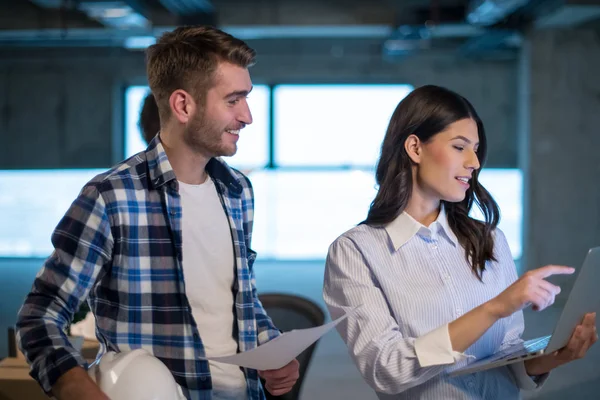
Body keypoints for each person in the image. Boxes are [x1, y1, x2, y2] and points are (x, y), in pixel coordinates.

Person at [16, 25, 299, 400]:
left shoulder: (237, 192)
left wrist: (272, 347)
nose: (247, 116)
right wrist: (78, 389)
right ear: (183, 105)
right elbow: (40, 317)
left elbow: (237, 303)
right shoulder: (111, 197)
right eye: (233, 100)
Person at [322, 85, 597, 399]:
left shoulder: (490, 239)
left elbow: (506, 360)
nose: (474, 162)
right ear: (415, 148)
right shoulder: (356, 252)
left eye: (476, 148)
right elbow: (387, 369)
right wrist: (493, 309)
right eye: (459, 146)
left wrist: (559, 355)